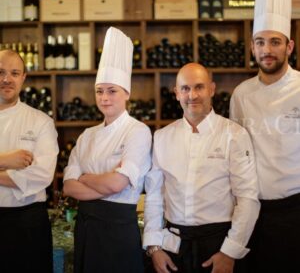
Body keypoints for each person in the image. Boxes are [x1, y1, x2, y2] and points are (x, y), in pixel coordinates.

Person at [143, 62, 260, 273]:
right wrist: (154, 247)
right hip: (173, 246)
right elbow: (154, 196)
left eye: (199, 87)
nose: (192, 95)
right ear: (176, 93)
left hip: (218, 244)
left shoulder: (234, 135)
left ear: (212, 89)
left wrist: (229, 252)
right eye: (185, 89)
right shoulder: (161, 138)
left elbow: (247, 198)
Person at [63, 27, 152, 273]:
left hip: (119, 229)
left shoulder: (138, 131)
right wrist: (105, 182)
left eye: (112, 91)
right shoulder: (87, 135)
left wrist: (85, 177)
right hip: (87, 228)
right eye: (100, 91)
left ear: (127, 93)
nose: (105, 98)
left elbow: (117, 185)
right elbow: (68, 187)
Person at [230, 0, 300, 272]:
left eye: (275, 42)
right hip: (251, 211)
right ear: (252, 46)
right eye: (261, 42)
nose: (267, 49)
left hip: (295, 210)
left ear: (290, 46)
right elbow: (235, 153)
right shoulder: (241, 94)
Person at [0, 49, 59, 273]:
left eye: (14, 73)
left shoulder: (41, 122)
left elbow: (42, 175)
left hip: (28, 223)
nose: (7, 79)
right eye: (1, 72)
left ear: (23, 77)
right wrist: (7, 159)